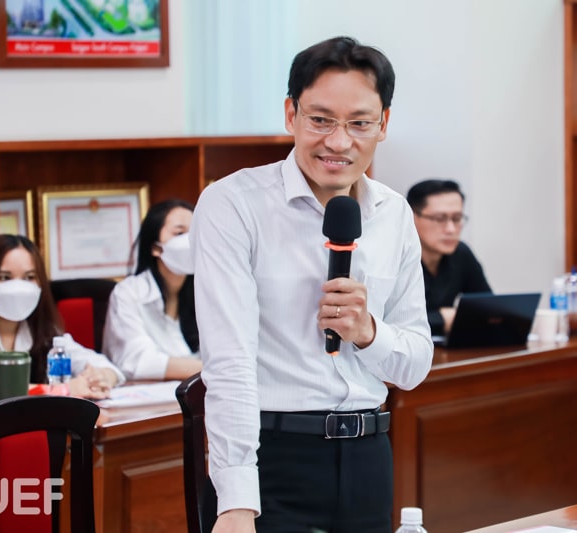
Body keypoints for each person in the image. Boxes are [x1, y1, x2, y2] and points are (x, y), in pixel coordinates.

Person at [190, 36, 433, 533]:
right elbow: (229, 362)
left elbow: (414, 365)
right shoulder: (233, 204)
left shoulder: (394, 213)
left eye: (359, 123)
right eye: (321, 120)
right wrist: (236, 501)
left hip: (369, 455)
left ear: (383, 124)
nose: (339, 142)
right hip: (273, 460)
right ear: (291, 114)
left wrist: (368, 332)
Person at [0, 234, 124, 404]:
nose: (18, 288)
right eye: (5, 277)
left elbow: (100, 364)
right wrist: (59, 390)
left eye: (29, 277)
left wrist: (101, 377)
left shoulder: (42, 330)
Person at [103, 199, 201, 380]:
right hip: (142, 393)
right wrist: (211, 369)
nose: (189, 241)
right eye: (180, 233)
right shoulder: (128, 293)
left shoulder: (206, 290)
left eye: (195, 233)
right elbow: (137, 362)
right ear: (155, 247)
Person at [407, 179, 492, 337]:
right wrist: (441, 318)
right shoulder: (395, 258)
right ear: (412, 217)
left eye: (457, 218)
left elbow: (490, 311)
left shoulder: (461, 253)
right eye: (440, 218)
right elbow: (387, 324)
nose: (451, 229)